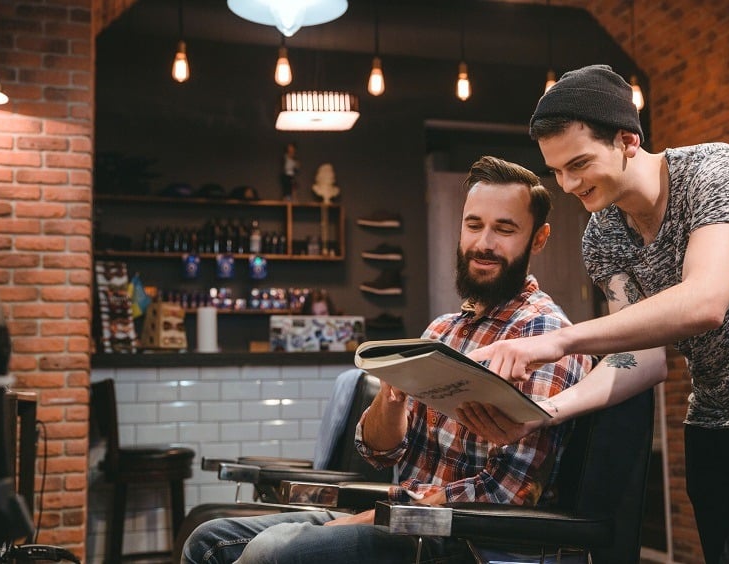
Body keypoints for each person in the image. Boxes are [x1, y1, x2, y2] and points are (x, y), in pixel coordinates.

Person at [460, 65, 729, 564]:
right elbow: (642, 360)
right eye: (556, 171)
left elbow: (704, 302)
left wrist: (553, 342)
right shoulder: (604, 236)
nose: (569, 185)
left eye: (580, 164)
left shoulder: (717, 173)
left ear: (628, 140)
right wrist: (541, 415)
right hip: (713, 419)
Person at [181, 156, 592, 564]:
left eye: (504, 229)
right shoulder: (442, 332)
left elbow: (508, 493)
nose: (484, 242)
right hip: (398, 518)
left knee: (272, 552)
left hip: (458, 540)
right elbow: (379, 452)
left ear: (538, 239)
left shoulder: (544, 336)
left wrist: (376, 521)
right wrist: (391, 400)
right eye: (473, 225)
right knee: (208, 540)